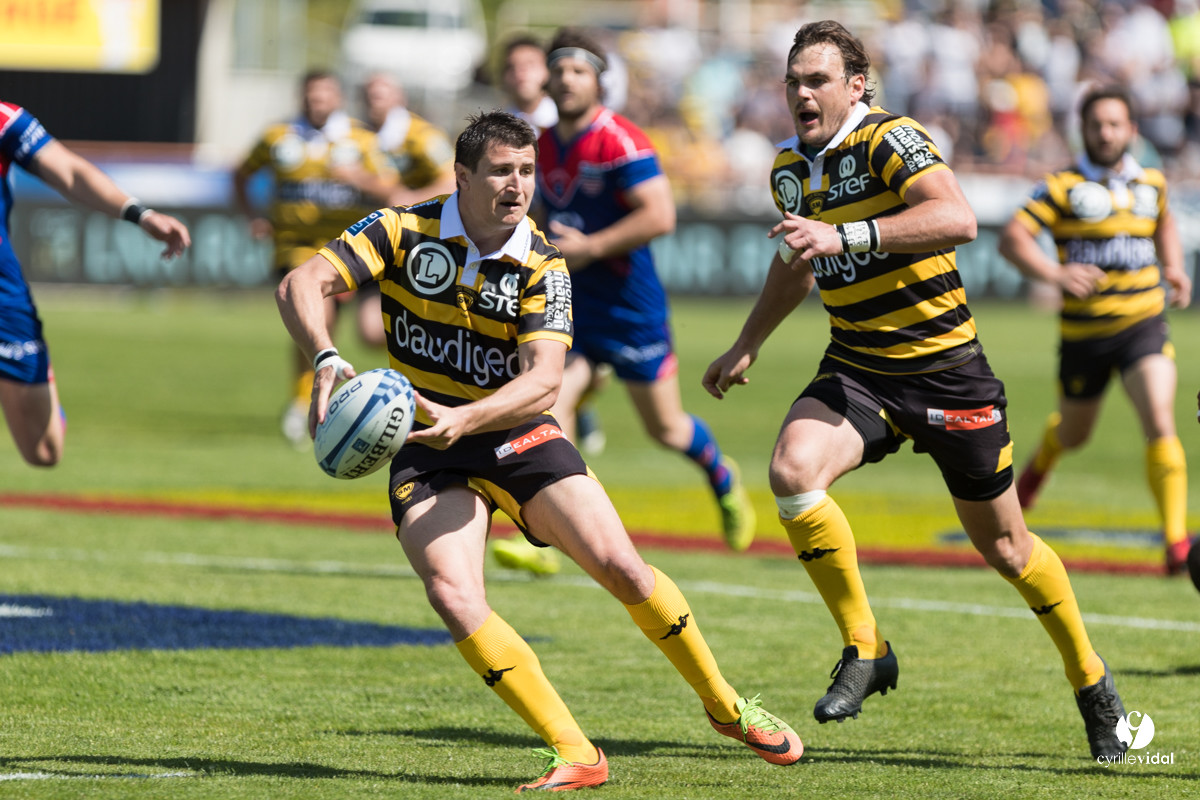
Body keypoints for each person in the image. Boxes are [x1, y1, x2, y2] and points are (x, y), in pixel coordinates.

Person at [275, 110, 803, 792]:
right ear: (462, 176)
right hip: (428, 445)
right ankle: (575, 752)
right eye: (501, 171)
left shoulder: (543, 262)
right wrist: (324, 355)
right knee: (453, 594)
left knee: (623, 568)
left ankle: (726, 706)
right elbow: (300, 283)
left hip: (515, 431)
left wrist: (468, 418)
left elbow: (545, 382)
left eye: (527, 171)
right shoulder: (401, 228)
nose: (518, 185)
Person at [702, 20, 1128, 760]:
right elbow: (798, 262)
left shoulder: (890, 138)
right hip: (860, 366)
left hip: (946, 371)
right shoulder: (789, 167)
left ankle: (1091, 679)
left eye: (818, 80)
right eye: (793, 81)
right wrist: (747, 342)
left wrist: (847, 235)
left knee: (1008, 549)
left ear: (856, 85)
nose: (802, 93)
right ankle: (866, 647)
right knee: (793, 473)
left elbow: (957, 217)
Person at [535, 28, 756, 552]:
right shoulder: (540, 143)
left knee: (667, 429)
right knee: (549, 408)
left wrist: (590, 247)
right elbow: (540, 215)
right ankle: (552, 531)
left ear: (599, 82)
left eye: (578, 70)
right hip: (572, 305)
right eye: (558, 70)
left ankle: (723, 477)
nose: (567, 79)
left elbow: (660, 215)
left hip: (628, 309)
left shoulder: (620, 140)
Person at [998, 85, 1192, 576]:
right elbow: (1013, 238)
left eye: (1114, 124)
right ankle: (1041, 464)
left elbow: (1164, 223)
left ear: (1132, 130)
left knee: (1160, 419)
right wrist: (1055, 273)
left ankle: (1175, 543)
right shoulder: (1060, 185)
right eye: (1096, 125)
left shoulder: (1151, 182)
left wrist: (1173, 266)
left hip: (1143, 325)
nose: (1105, 133)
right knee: (1074, 433)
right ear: (1082, 131)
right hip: (1084, 336)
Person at [0, 101, 190, 467]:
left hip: (3, 295)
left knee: (44, 451)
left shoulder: (4, 120)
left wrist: (140, 215)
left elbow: (70, 172)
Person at [233, 70, 397, 448]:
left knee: (373, 332)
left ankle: (391, 393)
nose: (317, 101)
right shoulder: (278, 136)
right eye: (311, 95)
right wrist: (252, 215)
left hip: (354, 247)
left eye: (325, 94)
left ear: (338, 98)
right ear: (301, 97)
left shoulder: (362, 139)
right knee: (317, 314)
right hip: (299, 245)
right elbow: (241, 173)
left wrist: (359, 179)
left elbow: (391, 189)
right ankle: (302, 400)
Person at [355, 73, 458, 350]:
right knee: (370, 331)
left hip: (420, 239)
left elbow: (453, 180)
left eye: (379, 95)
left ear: (399, 98)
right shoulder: (358, 136)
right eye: (368, 96)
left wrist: (409, 199)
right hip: (379, 239)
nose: (373, 102)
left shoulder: (422, 135)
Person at [499, 34, 559, 135]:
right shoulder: (499, 128)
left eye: (530, 64)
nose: (520, 72)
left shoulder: (564, 121)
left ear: (547, 70)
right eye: (512, 66)